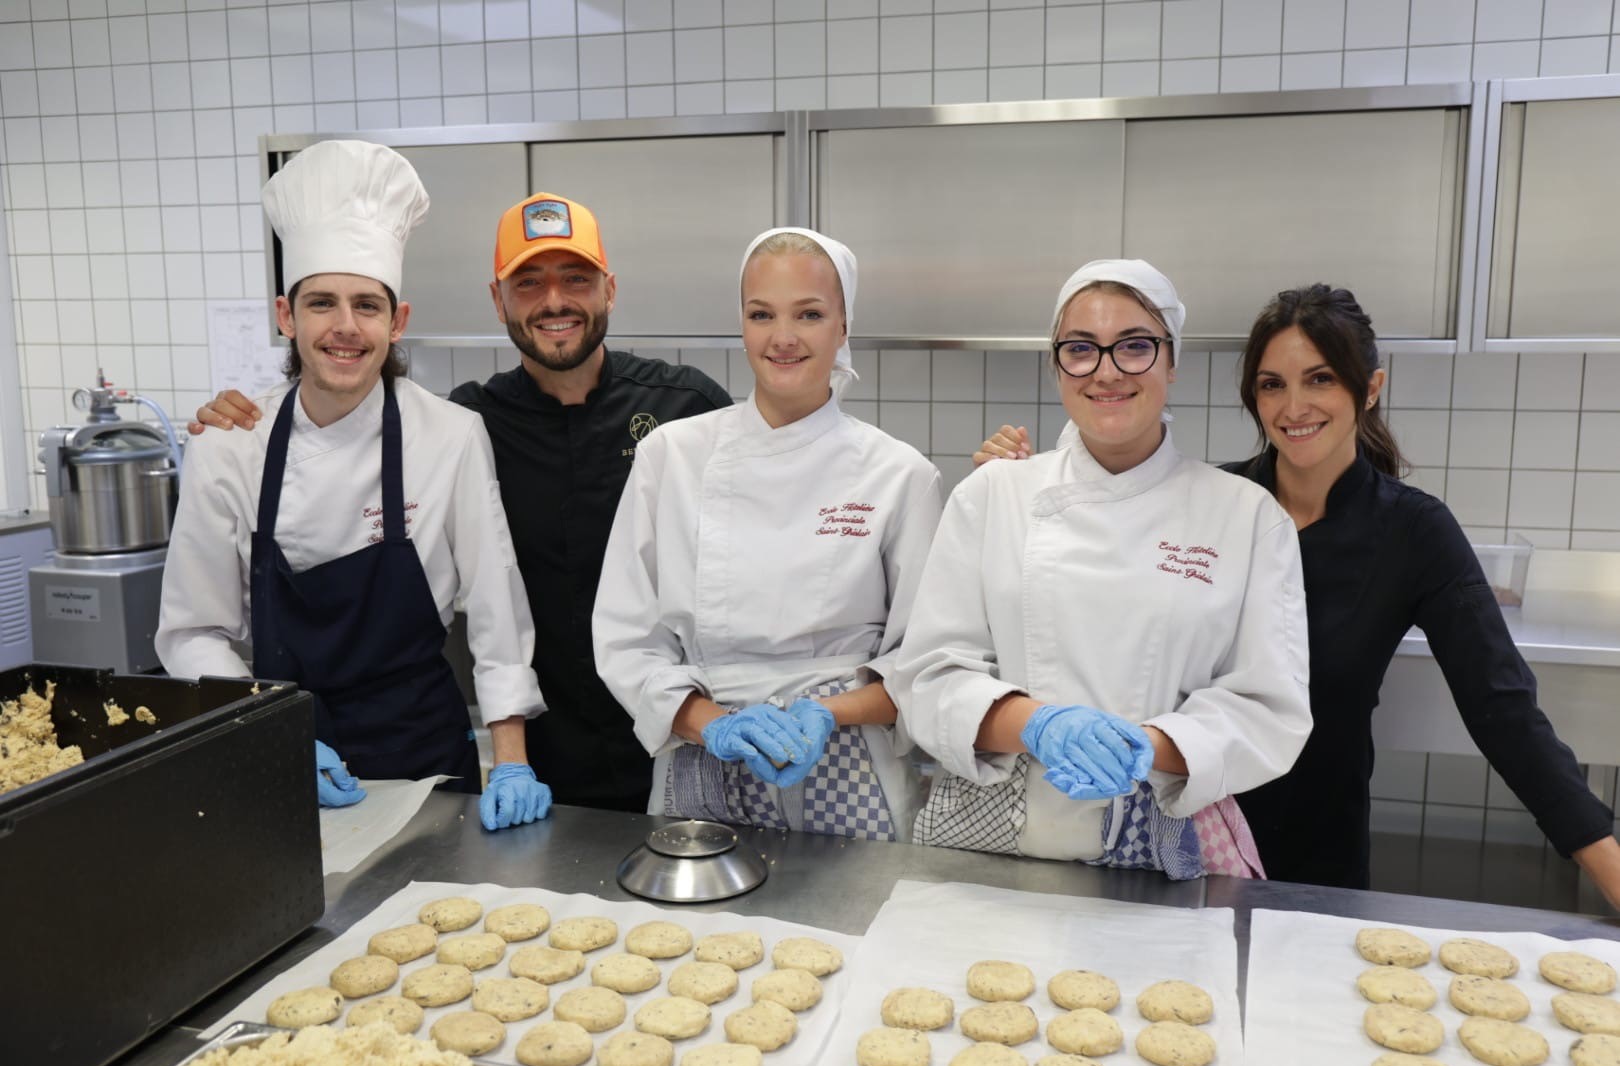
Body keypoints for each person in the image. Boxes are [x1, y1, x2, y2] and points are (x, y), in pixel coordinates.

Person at [976, 283, 1620, 904]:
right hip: (1171, 839)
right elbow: (1090, 608)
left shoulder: (1411, 531)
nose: (1293, 407)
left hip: (1316, 853)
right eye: (1271, 385)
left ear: (1370, 389)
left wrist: (1603, 856)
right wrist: (1020, 495)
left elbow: (1503, 708)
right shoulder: (1212, 508)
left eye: (1321, 379)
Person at [189, 192, 732, 814]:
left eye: (576, 279)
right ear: (497, 301)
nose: (554, 301)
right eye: (527, 283)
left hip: (678, 733)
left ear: (609, 289)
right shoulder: (470, 421)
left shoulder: (689, 408)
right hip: (546, 747)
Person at [157, 140, 550, 831]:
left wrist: (512, 758)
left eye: (367, 305)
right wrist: (263, 727)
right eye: (322, 304)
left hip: (426, 755)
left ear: (397, 323)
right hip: (277, 751)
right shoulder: (229, 448)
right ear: (287, 317)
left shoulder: (450, 436)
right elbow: (193, 631)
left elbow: (496, 611)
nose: (345, 327)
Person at [892, 259, 1311, 878]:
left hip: (1166, 833)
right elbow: (929, 675)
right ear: (1057, 365)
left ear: (1172, 362)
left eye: (1136, 347)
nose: (1107, 371)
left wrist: (1147, 748)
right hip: (996, 836)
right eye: (1081, 349)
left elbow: (1268, 708)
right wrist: (1042, 726)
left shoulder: (1246, 516)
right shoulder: (991, 495)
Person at [591, 228, 943, 839]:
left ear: (843, 328)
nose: (783, 337)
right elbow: (626, 639)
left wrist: (823, 716)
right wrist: (713, 724)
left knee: (849, 926)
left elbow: (922, 664)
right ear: (742, 324)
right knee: (696, 934)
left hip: (849, 760)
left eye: (809, 314)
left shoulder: (900, 475)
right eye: (762, 314)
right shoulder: (670, 456)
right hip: (703, 751)